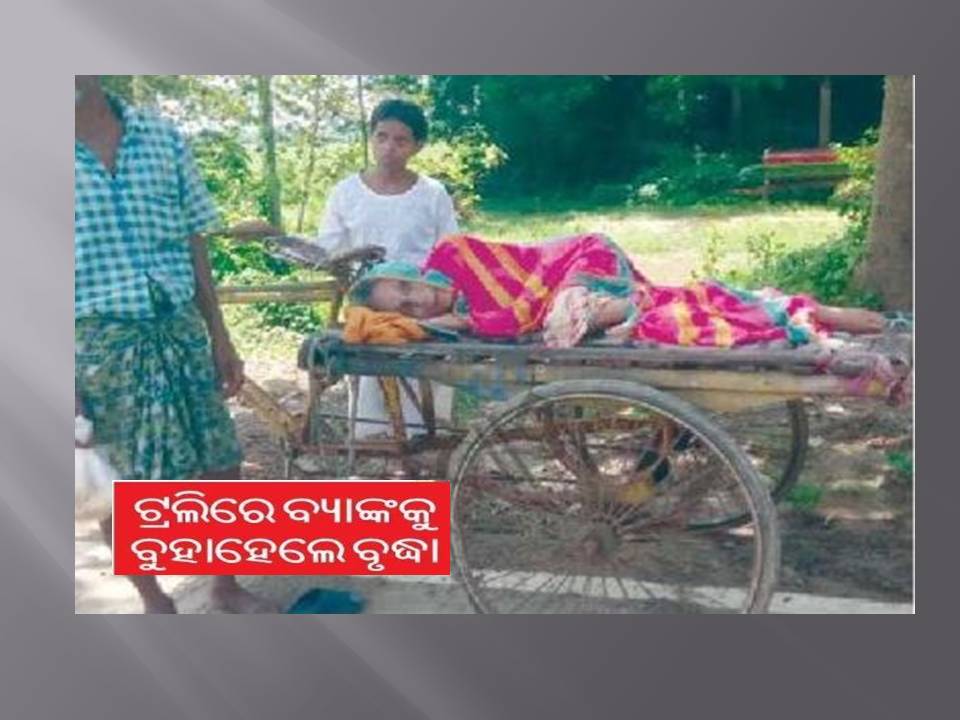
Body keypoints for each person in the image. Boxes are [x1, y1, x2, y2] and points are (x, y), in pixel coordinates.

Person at [74, 76, 274, 613]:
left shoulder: (162, 139)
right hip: (100, 346)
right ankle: (153, 598)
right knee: (119, 482)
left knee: (220, 463)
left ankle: (225, 585)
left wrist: (221, 337)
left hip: (180, 329)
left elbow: (194, 244)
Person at [346, 232, 896, 349]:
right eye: (406, 307)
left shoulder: (451, 254)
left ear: (411, 271)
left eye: (406, 287)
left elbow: (521, 304)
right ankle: (817, 313)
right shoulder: (454, 312)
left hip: (582, 263)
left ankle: (604, 312)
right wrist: (450, 323)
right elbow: (513, 322)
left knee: (563, 318)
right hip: (574, 300)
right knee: (680, 308)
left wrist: (467, 323)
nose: (418, 301)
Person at [315, 98, 459, 439]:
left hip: (422, 301)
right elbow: (329, 250)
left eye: (400, 140)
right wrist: (353, 261)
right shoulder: (346, 193)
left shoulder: (432, 193)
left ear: (417, 146)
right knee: (371, 379)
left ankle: (424, 437)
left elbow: (451, 251)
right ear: (371, 137)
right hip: (370, 303)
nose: (389, 148)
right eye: (381, 137)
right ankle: (375, 440)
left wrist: (433, 293)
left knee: (421, 381)